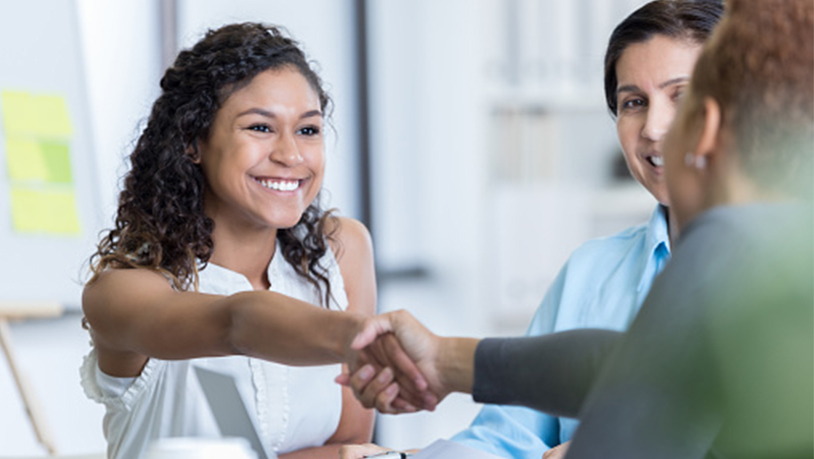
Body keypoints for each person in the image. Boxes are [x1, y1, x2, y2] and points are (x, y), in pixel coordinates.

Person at [345, 0, 814, 457]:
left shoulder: (758, 257)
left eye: (682, 98)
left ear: (716, 119)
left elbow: (646, 377)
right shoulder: (594, 269)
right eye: (633, 102)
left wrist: (448, 361)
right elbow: (526, 423)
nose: (654, 128)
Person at [79, 23, 424, 459]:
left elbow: (347, 444)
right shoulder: (122, 291)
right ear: (193, 141)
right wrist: (365, 337)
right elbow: (235, 322)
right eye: (261, 128)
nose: (291, 156)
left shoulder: (341, 251)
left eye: (308, 130)